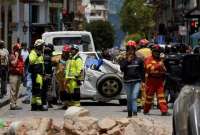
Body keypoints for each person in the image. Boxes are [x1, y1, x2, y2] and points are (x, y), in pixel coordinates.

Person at [120, 40, 145, 117]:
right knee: (129, 98)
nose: (131, 51)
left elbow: (142, 71)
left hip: (136, 81)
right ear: (127, 50)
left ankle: (135, 113)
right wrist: (127, 61)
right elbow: (122, 69)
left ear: (134, 49)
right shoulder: (124, 60)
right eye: (129, 49)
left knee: (134, 97)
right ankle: (129, 113)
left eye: (132, 49)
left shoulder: (139, 60)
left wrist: (143, 81)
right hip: (127, 82)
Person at [143, 45, 170, 116]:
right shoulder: (148, 59)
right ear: (152, 52)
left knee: (161, 97)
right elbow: (149, 69)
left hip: (159, 81)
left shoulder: (160, 60)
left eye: (158, 52)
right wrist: (159, 65)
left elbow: (164, 70)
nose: (157, 53)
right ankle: (146, 110)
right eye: (155, 52)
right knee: (149, 97)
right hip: (151, 80)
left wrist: (160, 66)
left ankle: (164, 111)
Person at [52, 44, 71, 109]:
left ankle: (68, 103)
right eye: (64, 52)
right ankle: (64, 103)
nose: (65, 53)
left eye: (67, 52)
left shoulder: (71, 58)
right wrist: (56, 61)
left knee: (68, 90)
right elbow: (52, 59)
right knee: (61, 91)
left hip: (68, 78)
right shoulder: (58, 57)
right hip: (60, 78)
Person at [29, 39, 46, 111]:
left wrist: (44, 73)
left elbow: (42, 64)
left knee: (35, 90)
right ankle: (39, 105)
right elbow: (31, 61)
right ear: (38, 46)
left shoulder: (40, 53)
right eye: (42, 45)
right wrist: (37, 55)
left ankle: (34, 105)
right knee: (38, 90)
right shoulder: (33, 52)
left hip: (40, 74)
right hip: (36, 74)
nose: (43, 47)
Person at [9, 43, 24, 110]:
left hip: (19, 75)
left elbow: (22, 66)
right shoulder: (12, 56)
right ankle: (12, 105)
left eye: (20, 50)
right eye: (18, 50)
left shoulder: (20, 56)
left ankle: (15, 104)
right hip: (13, 75)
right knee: (13, 90)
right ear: (15, 50)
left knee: (17, 90)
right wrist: (17, 56)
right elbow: (14, 64)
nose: (19, 51)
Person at [42, 43, 54, 109]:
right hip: (48, 75)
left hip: (43, 75)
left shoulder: (42, 56)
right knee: (48, 89)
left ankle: (44, 102)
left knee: (44, 89)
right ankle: (49, 103)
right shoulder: (51, 57)